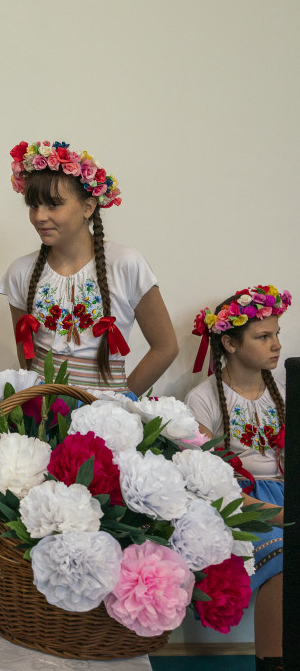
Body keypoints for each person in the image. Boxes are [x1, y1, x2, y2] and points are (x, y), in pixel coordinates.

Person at [0, 141, 177, 395]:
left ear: (88, 207)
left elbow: (165, 346)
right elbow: (26, 353)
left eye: (53, 204)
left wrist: (123, 400)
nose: (39, 216)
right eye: (33, 205)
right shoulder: (20, 271)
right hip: (43, 416)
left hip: (104, 417)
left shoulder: (126, 263)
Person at [186, 286, 289, 671]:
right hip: (238, 503)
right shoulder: (204, 399)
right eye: (264, 337)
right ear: (229, 342)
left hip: (283, 495)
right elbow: (209, 483)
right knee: (285, 551)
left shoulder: (285, 390)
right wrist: (276, 515)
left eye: (277, 334)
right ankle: (272, 662)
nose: (276, 344)